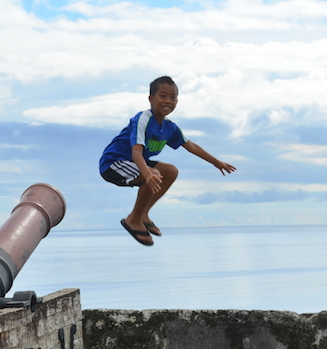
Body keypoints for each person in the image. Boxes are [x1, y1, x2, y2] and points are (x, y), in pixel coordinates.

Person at [99, 75, 237, 246]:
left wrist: (216, 162)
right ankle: (133, 219)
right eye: (163, 96)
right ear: (151, 99)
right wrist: (148, 174)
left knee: (171, 171)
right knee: (155, 174)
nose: (168, 101)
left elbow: (191, 145)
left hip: (135, 163)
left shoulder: (169, 127)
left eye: (173, 97)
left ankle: (143, 214)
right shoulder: (143, 119)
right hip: (114, 163)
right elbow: (136, 152)